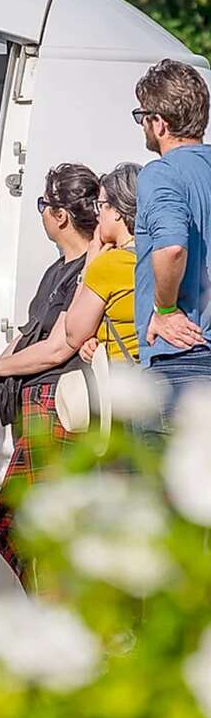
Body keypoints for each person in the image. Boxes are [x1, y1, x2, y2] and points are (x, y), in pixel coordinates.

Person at [0, 163, 99, 583]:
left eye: (44, 204)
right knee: (27, 532)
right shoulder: (56, 270)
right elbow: (28, 336)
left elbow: (56, 347)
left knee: (19, 529)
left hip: (53, 411)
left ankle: (60, 626)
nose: (42, 212)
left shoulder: (89, 271)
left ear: (60, 215)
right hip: (35, 411)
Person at [132, 59, 211, 436]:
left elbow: (172, 247)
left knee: (166, 493)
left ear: (159, 122)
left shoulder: (161, 172)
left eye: (142, 116)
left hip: (182, 360)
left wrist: (163, 309)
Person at [65, 163, 141, 364]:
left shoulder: (110, 264)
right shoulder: (158, 256)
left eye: (100, 205)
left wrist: (91, 259)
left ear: (116, 211)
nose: (97, 215)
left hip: (123, 380)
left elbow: (73, 333)